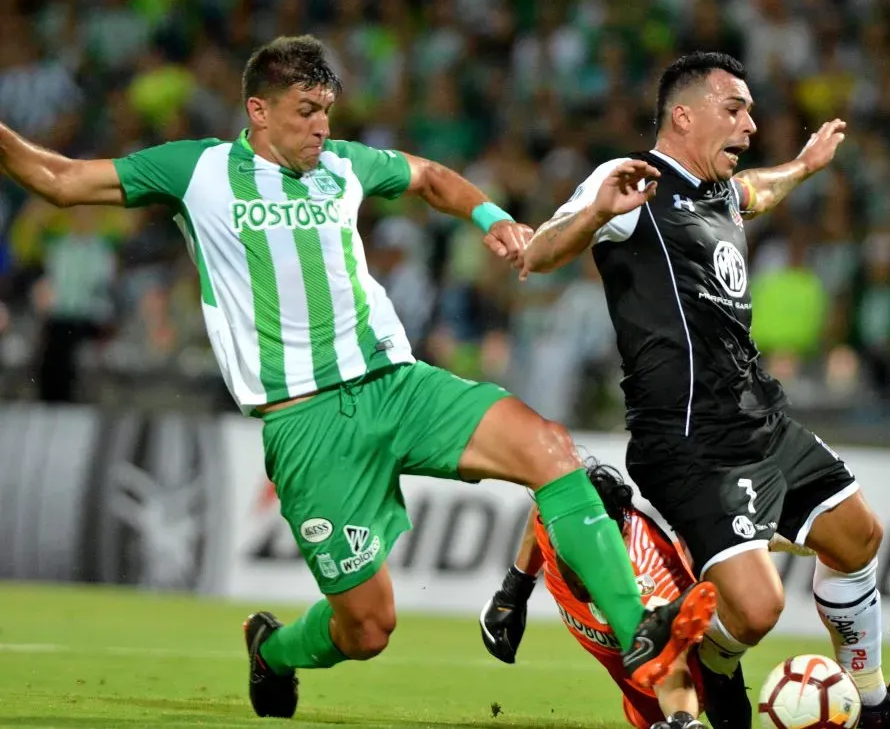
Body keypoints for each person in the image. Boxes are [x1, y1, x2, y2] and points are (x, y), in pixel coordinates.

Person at [0, 35, 701, 719]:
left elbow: (429, 176)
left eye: (327, 110)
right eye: (306, 111)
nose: (322, 127)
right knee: (367, 629)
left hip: (397, 385)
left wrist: (491, 217)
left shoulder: (342, 165)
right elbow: (58, 180)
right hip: (305, 423)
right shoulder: (197, 170)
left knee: (550, 448)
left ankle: (644, 641)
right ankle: (273, 651)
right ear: (258, 110)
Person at [511, 51, 890, 729]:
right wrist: (594, 213)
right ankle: (699, 657)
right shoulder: (634, 180)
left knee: (859, 536)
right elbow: (539, 252)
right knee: (757, 610)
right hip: (690, 442)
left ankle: (875, 703)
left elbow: (755, 192)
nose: (750, 124)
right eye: (734, 109)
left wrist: (804, 166)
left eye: (750, 111)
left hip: (759, 418)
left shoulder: (719, 192)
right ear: (684, 116)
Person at [481, 461, 715, 729]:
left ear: (620, 536)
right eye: (575, 554)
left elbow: (671, 663)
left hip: (674, 691)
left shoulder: (653, 575)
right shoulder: (559, 524)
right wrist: (514, 589)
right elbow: (543, 507)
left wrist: (682, 719)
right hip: (634, 690)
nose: (584, 573)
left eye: (595, 555)